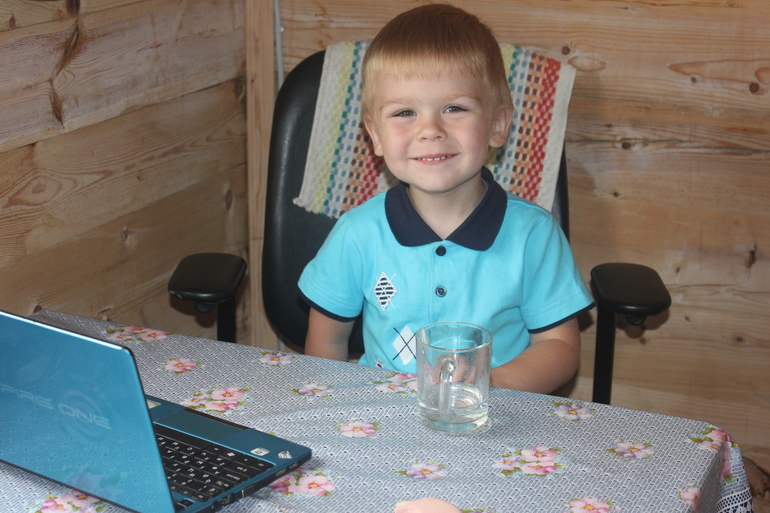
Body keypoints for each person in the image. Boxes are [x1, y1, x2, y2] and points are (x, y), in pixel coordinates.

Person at [298, 4, 594, 393]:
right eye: (405, 112)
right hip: (380, 417)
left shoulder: (533, 235)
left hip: (496, 415)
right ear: (375, 135)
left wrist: (490, 382)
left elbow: (560, 347)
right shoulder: (357, 233)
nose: (430, 130)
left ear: (497, 123)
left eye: (454, 108)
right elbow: (327, 344)